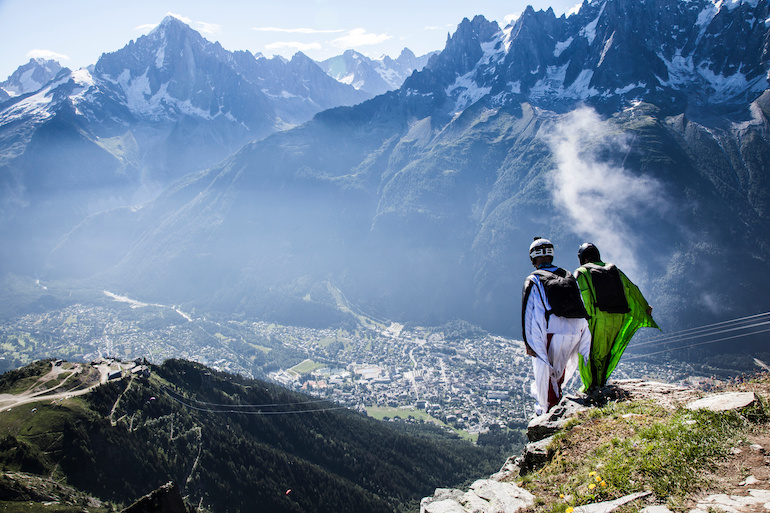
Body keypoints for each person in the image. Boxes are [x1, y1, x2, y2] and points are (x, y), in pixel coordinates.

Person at [574, 243, 659, 393]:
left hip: (598, 318)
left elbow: (581, 297)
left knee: (590, 353)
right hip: (619, 317)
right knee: (607, 353)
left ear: (583, 258)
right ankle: (600, 384)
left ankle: (591, 387)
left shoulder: (582, 272)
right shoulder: (614, 269)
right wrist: (645, 308)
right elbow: (633, 289)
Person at [522, 237, 591, 415]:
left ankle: (548, 410)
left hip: (553, 330)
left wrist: (529, 343)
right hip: (577, 329)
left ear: (532, 258)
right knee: (558, 371)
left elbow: (528, 312)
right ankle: (555, 400)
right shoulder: (567, 275)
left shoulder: (534, 279)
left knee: (546, 370)